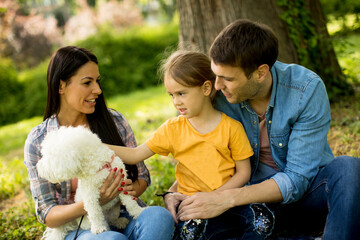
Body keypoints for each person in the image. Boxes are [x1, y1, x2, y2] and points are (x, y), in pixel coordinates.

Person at [164, 19, 360, 239]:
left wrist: (227, 198)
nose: (217, 86)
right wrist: (173, 191)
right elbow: (195, 149)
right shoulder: (216, 95)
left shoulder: (305, 89)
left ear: (260, 73)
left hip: (304, 198)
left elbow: (296, 180)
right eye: (215, 75)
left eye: (227, 79)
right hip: (247, 211)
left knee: (349, 168)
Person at [24, 46, 174, 240]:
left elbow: (142, 177)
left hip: (123, 215)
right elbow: (47, 213)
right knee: (112, 239)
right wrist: (93, 201)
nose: (98, 90)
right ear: (61, 86)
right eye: (87, 82)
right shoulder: (39, 140)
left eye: (97, 81)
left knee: (159, 217)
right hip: (81, 228)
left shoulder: (115, 121)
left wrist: (124, 191)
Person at [107, 50, 255, 240]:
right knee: (191, 233)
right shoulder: (172, 129)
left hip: (228, 204)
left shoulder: (231, 128)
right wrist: (94, 145)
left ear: (206, 88)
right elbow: (135, 154)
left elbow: (244, 173)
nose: (176, 102)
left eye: (181, 93)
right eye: (171, 95)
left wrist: (216, 198)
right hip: (191, 208)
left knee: (262, 220)